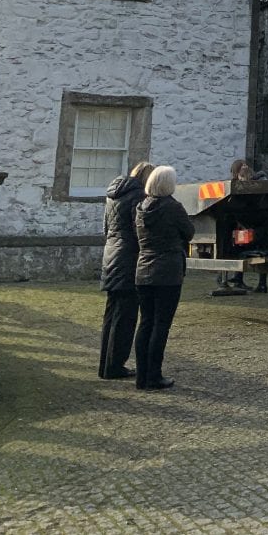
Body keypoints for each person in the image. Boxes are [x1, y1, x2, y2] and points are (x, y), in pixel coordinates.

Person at [134, 165, 195, 391]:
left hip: (143, 271)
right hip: (168, 271)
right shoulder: (173, 207)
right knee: (161, 325)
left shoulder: (140, 207)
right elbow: (189, 232)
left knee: (146, 323)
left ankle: (142, 376)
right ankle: (154, 375)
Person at [98, 160, 153, 380]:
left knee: (111, 315)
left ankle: (105, 365)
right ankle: (115, 366)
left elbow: (106, 228)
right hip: (129, 258)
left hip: (110, 255)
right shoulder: (138, 197)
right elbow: (139, 231)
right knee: (126, 317)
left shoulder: (112, 196)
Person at [214, 159, 254, 295]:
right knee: (224, 251)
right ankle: (222, 279)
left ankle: (238, 279)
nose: (245, 167)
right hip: (227, 225)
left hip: (240, 224)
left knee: (239, 252)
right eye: (242, 167)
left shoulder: (250, 185)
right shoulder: (231, 187)